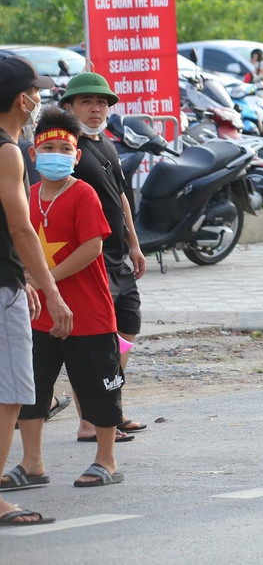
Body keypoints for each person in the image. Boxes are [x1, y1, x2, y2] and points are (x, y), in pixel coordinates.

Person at [9, 108, 123, 490]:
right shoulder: (27, 195)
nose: (56, 153)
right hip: (39, 316)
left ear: (76, 156)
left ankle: (105, 459)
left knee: (97, 386)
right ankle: (32, 463)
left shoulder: (84, 193)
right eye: (48, 147)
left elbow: (92, 248)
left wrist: (44, 280)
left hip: (88, 313)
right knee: (32, 389)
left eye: (64, 148)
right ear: (33, 154)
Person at [0, 57, 72, 527]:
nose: (39, 101)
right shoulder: (6, 151)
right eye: (36, 93)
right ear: (21, 99)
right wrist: (51, 290)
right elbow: (22, 229)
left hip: (8, 280)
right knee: (9, 394)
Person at [59, 72, 146, 441]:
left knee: (126, 328)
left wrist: (134, 242)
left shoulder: (106, 143)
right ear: (68, 107)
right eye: (86, 102)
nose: (96, 109)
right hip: (89, 260)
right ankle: (89, 422)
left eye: (102, 103)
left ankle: (111, 409)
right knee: (92, 343)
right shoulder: (66, 149)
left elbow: (122, 195)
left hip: (117, 258)